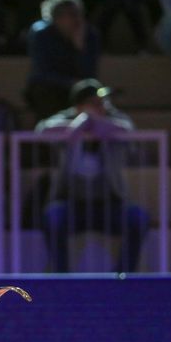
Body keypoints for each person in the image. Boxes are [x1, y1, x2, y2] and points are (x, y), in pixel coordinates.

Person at [36, 78, 150, 273]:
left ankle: (123, 277)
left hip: (109, 204)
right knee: (53, 217)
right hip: (72, 204)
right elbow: (42, 130)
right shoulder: (69, 118)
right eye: (95, 102)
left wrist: (90, 122)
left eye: (102, 102)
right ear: (79, 105)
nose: (102, 106)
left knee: (138, 218)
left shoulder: (112, 118)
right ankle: (62, 278)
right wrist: (80, 122)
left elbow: (126, 129)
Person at [24, 0, 101, 122]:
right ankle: (49, 136)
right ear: (56, 18)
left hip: (79, 88)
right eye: (71, 15)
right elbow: (42, 72)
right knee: (43, 91)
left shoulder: (89, 35)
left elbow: (90, 73)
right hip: (52, 87)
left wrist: (79, 48)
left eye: (78, 14)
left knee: (95, 93)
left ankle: (91, 135)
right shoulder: (41, 34)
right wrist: (70, 83)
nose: (77, 20)